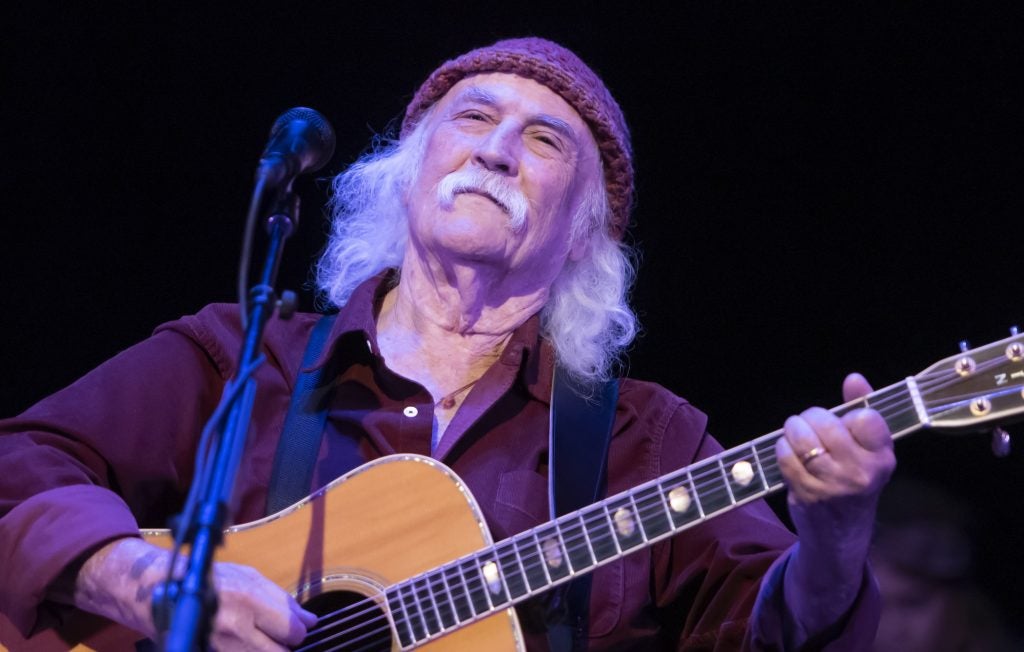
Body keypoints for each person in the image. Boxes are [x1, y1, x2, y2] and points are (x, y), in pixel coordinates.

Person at [0, 37, 894, 650]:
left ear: (584, 233)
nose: (498, 150)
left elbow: (778, 632)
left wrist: (836, 539)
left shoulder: (646, 445)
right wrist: (146, 589)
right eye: (472, 119)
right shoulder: (240, 357)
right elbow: (20, 463)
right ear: (407, 168)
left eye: (545, 140)